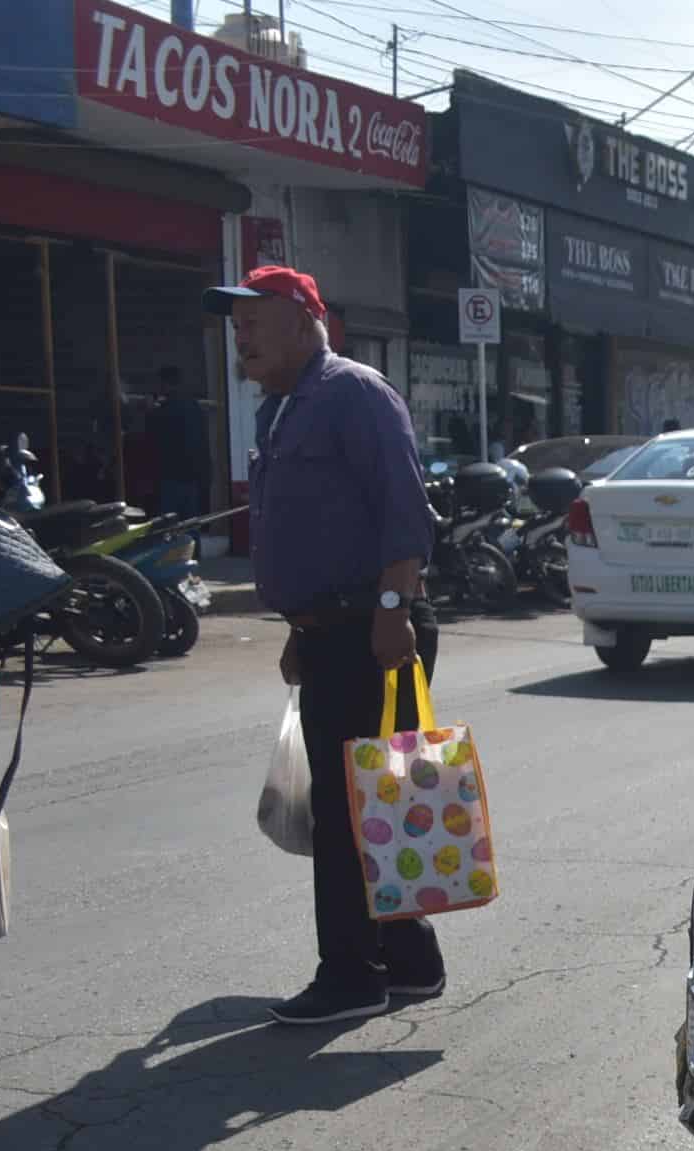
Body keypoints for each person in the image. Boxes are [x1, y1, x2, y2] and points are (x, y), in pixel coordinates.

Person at [208, 265, 445, 1025]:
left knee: (353, 813)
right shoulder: (280, 409)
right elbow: (314, 529)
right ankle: (408, 960)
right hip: (329, 631)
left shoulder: (354, 393)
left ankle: (350, 975)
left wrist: (389, 611)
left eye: (255, 319)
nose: (240, 334)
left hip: (371, 629)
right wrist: (296, 628)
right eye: (236, 323)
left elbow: (403, 515)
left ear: (306, 317)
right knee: (374, 799)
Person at [152, 365, 212, 521]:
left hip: (172, 477)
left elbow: (155, 436)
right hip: (192, 477)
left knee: (168, 528)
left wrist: (150, 410)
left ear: (164, 383)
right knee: (190, 526)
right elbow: (202, 442)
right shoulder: (193, 406)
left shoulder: (166, 409)